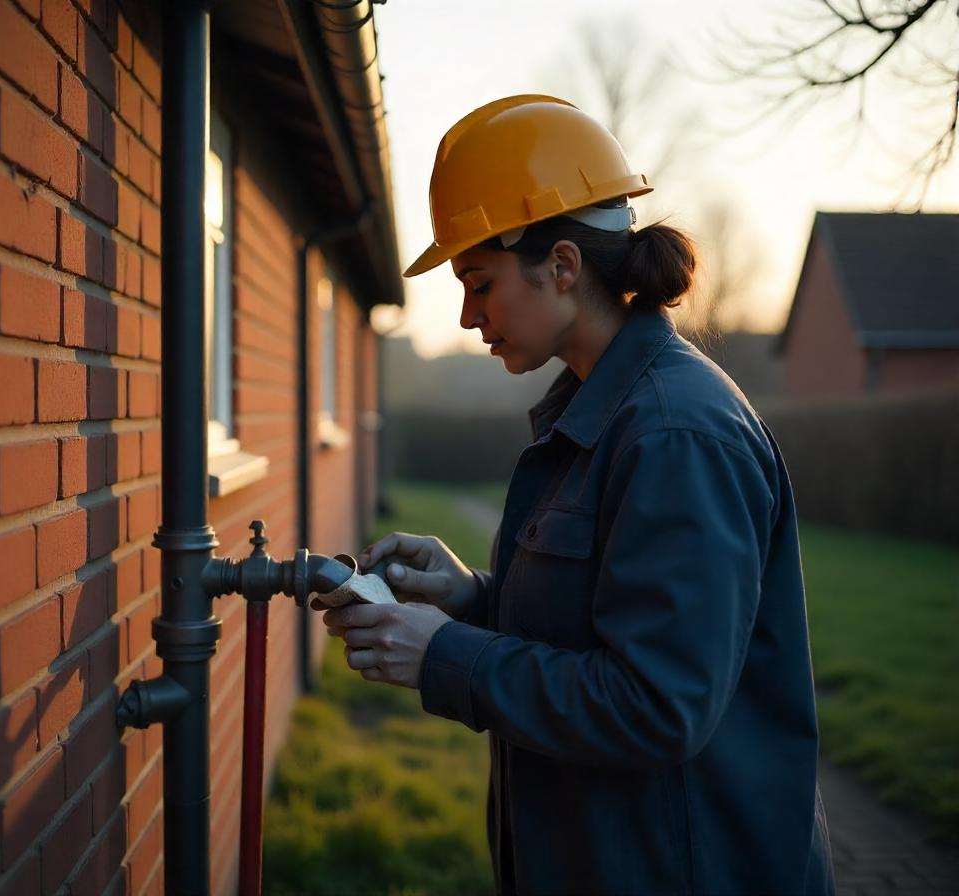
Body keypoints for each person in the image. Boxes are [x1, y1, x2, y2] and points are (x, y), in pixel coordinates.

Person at [316, 95, 835, 895]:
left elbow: (658, 704)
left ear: (562, 266)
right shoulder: (603, 411)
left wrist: (443, 656)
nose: (466, 314)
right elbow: (602, 629)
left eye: (479, 281)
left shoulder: (673, 435)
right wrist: (471, 600)